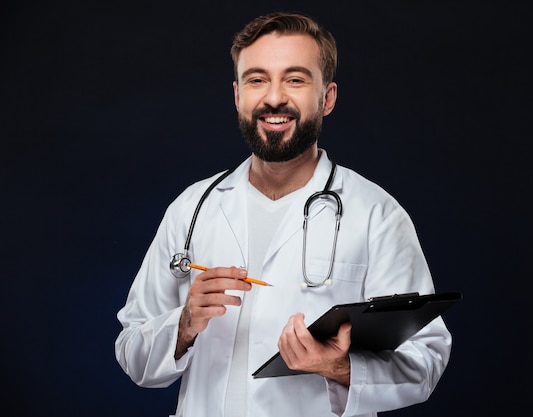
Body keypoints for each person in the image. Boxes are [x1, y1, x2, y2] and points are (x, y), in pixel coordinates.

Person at [115, 11, 452, 417]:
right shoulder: (192, 208)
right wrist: (183, 325)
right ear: (238, 95)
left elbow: (425, 362)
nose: (274, 98)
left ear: (326, 98)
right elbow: (132, 353)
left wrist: (338, 367)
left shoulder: (375, 214)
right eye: (258, 79)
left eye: (295, 79)